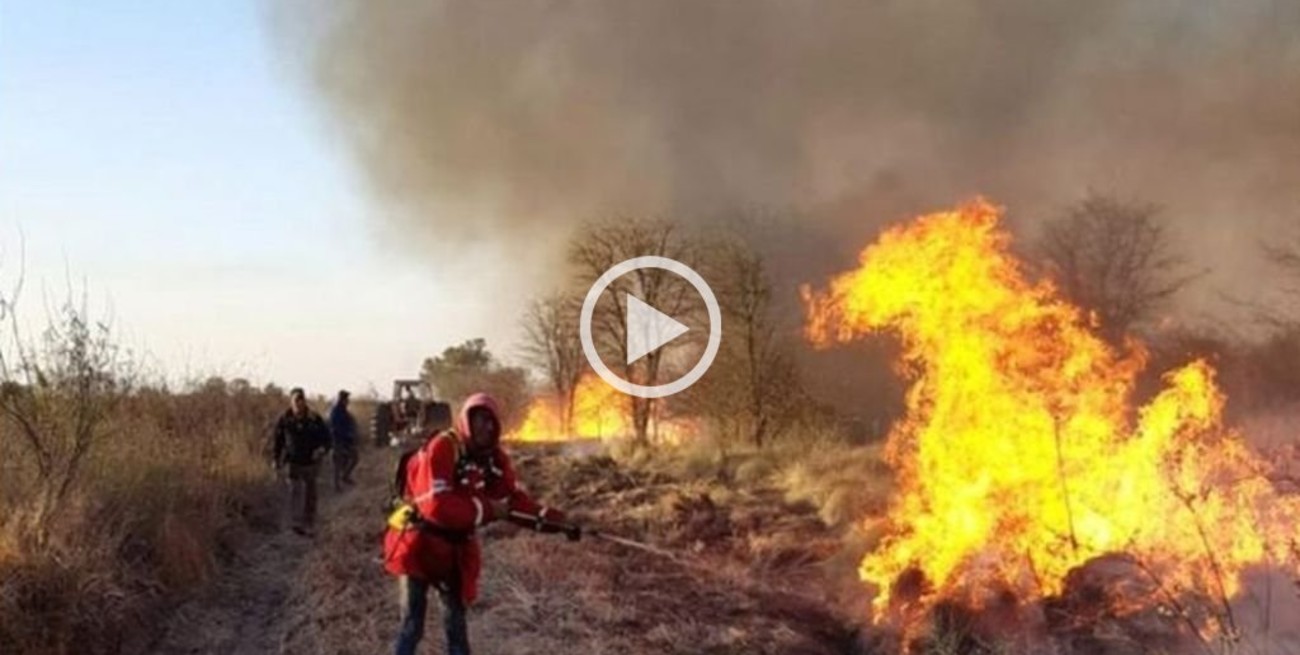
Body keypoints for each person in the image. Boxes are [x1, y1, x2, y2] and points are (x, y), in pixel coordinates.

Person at [383, 392, 580, 655]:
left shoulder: (493, 459)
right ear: (467, 419)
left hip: (453, 552)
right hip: (418, 546)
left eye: (491, 422)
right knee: (412, 626)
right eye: (480, 419)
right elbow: (437, 507)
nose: (486, 427)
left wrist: (558, 522)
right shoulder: (442, 447)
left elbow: (513, 504)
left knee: (456, 627)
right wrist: (488, 509)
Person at [272, 387, 331, 535]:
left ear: (304, 402)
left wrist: (322, 449)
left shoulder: (314, 419)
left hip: (311, 462)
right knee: (294, 492)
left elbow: (327, 439)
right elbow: (278, 441)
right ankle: (295, 524)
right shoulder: (285, 419)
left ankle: (309, 522)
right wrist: (276, 459)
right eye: (295, 401)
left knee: (311, 494)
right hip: (292, 462)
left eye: (300, 400)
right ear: (291, 402)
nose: (298, 404)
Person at [329, 389, 359, 490]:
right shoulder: (336, 411)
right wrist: (347, 435)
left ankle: (345, 476)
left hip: (346, 440)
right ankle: (336, 485)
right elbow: (335, 427)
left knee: (354, 458)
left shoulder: (343, 410)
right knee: (338, 463)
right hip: (337, 440)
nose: (348, 401)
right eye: (347, 399)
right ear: (342, 399)